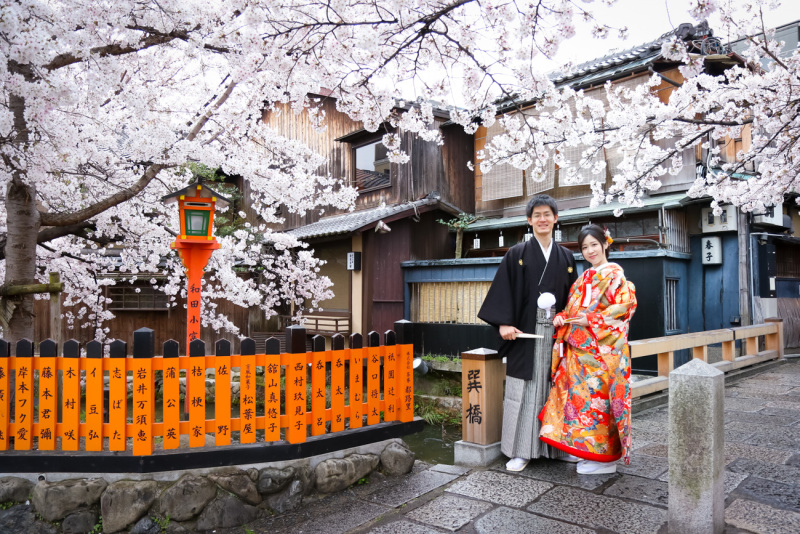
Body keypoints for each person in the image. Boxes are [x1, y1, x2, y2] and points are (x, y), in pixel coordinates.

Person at [478, 194, 578, 471]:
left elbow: (574, 300)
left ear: (556, 218)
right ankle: (519, 450)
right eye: (537, 215)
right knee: (522, 391)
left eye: (547, 214)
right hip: (525, 332)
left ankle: (558, 449)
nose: (542, 219)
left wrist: (568, 321)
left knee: (555, 390)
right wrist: (503, 324)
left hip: (557, 335)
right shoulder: (517, 254)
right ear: (529, 220)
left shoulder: (567, 257)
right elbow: (503, 290)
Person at [539, 224, 637, 475]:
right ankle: (588, 452)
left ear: (606, 244)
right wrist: (562, 318)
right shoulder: (583, 278)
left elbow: (624, 310)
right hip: (580, 355)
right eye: (585, 247)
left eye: (594, 244)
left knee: (599, 405)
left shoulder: (615, 274)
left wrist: (592, 321)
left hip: (602, 354)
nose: (590, 251)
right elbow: (573, 311)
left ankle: (607, 459)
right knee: (582, 405)